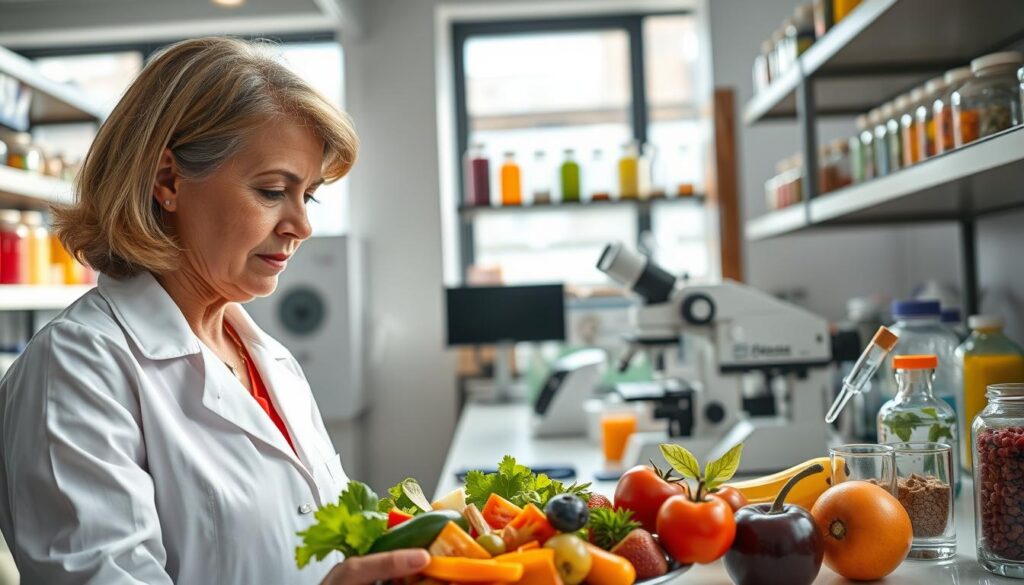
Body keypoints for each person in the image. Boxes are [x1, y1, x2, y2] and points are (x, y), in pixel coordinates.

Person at [0, 37, 429, 584]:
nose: (302, 225)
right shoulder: (77, 369)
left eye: (310, 195)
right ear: (168, 182)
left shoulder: (268, 361)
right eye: (273, 191)